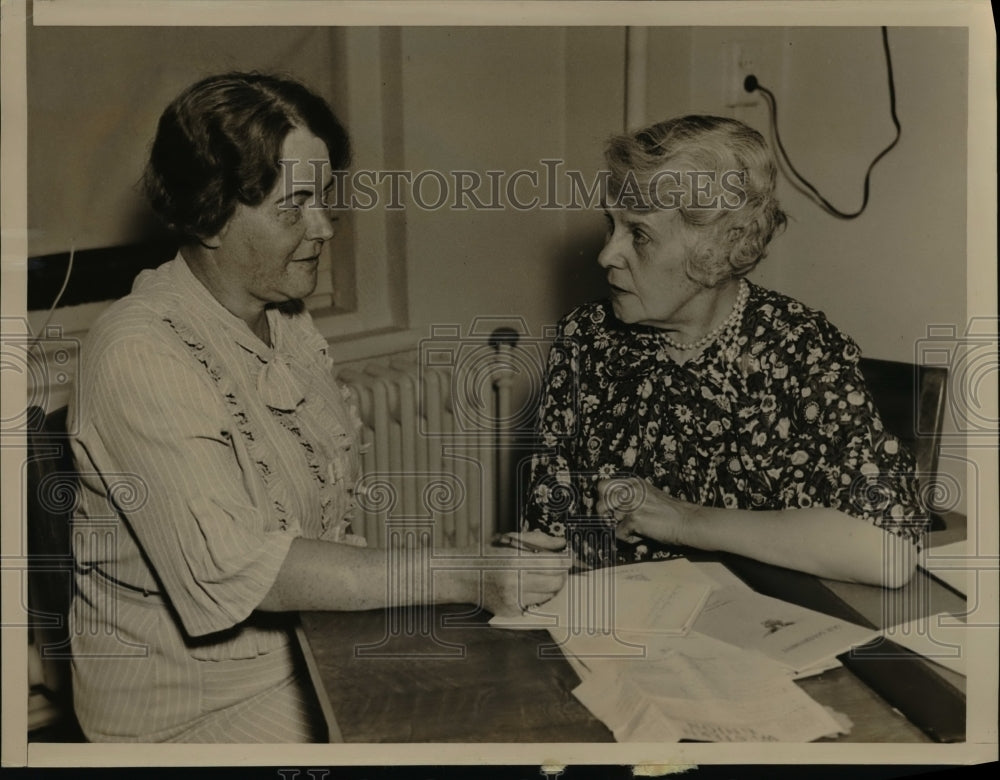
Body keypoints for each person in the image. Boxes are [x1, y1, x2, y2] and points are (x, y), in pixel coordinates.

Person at [68, 72, 567, 743]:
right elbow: (248, 569)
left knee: (514, 698)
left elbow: (314, 528)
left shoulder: (285, 319)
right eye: (292, 207)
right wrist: (470, 571)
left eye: (324, 200)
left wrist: (487, 563)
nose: (325, 227)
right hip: (189, 716)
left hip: (310, 652)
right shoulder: (139, 354)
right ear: (210, 212)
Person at [521, 115, 926, 588]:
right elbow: (547, 533)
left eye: (639, 234)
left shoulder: (796, 348)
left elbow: (888, 551)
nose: (607, 254)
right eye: (611, 226)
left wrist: (685, 519)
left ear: (719, 244)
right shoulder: (585, 339)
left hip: (755, 639)